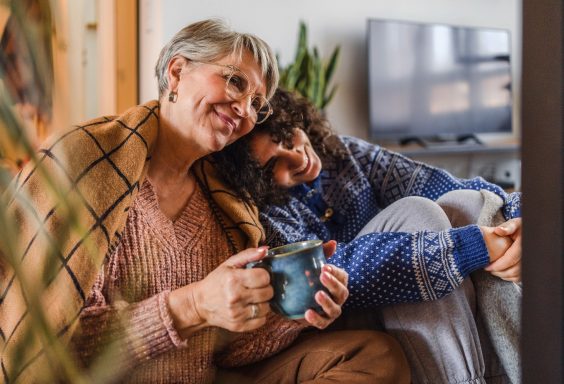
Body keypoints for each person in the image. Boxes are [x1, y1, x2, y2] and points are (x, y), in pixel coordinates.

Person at [1, 20, 410, 383]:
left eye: (256, 103)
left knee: (375, 355)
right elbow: (46, 347)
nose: (245, 109)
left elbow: (229, 348)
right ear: (177, 72)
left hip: (207, 375)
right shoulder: (81, 160)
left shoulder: (226, 195)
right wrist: (192, 305)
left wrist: (292, 312)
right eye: (235, 81)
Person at [214, 88, 523, 383]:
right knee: (417, 214)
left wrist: (520, 224)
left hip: (411, 292)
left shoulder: (343, 153)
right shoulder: (268, 215)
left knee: (466, 204)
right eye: (273, 167)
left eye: (286, 137)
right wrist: (469, 247)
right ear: (258, 183)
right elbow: (332, 274)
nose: (296, 157)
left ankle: (525, 369)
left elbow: (443, 184)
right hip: (346, 311)